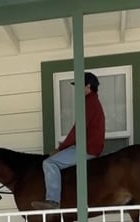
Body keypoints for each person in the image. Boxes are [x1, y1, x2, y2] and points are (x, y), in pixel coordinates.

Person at [31, 71, 106, 210]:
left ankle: (53, 202)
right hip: (90, 146)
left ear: (88, 86)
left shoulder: (89, 102)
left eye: (78, 86)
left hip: (86, 148)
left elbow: (78, 130)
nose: (76, 89)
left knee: (49, 163)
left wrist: (60, 149)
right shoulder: (92, 101)